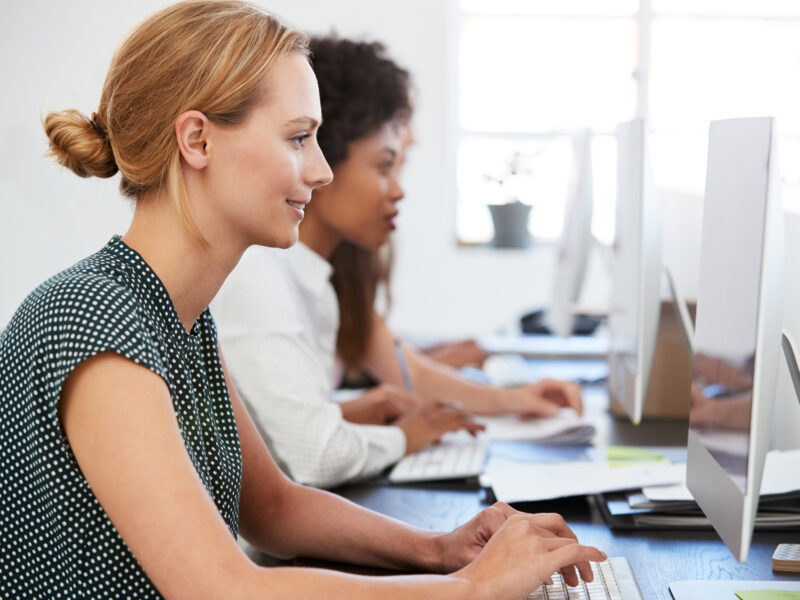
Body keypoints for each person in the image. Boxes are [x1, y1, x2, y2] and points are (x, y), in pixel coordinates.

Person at [0, 3, 606, 599]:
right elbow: (219, 588)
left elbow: (274, 508)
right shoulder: (91, 319)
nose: (320, 171)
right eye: (298, 138)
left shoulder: (177, 318)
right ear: (197, 140)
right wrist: (471, 588)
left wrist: (440, 549)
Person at [212, 36, 583, 489]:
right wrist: (403, 435)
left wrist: (511, 397)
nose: (398, 190)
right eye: (386, 165)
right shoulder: (262, 277)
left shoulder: (318, 280)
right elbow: (313, 456)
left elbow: (273, 426)